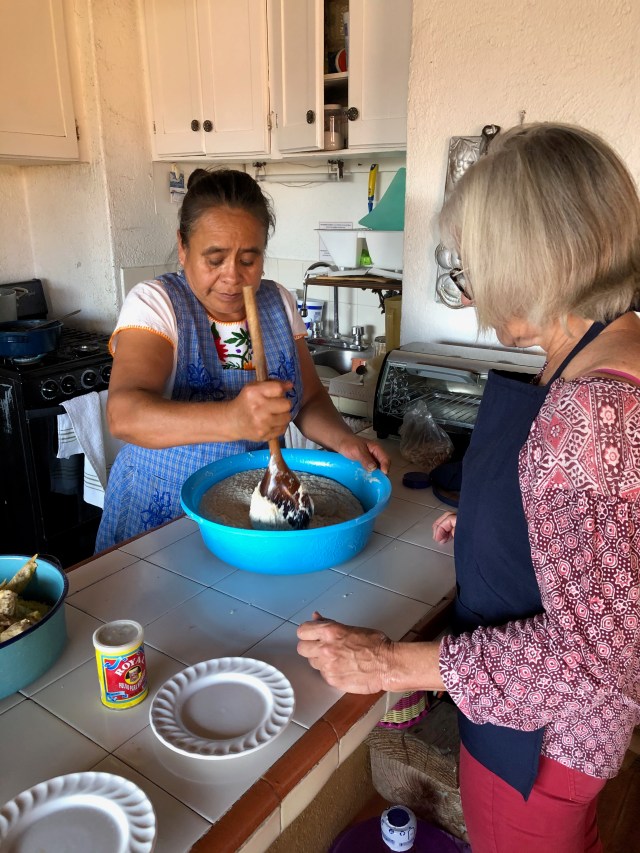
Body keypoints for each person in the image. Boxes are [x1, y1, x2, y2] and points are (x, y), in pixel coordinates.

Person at [297, 123, 640, 852]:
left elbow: (586, 660)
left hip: (542, 746)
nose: (476, 286)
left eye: (480, 261)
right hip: (564, 737)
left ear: (530, 264)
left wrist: (389, 662)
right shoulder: (620, 349)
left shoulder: (591, 409)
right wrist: (503, 523)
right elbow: (607, 547)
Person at [96, 168, 389, 550]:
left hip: (256, 508)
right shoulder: (157, 303)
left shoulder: (278, 302)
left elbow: (309, 399)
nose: (232, 277)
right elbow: (125, 414)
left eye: (249, 260)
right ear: (183, 247)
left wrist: (345, 442)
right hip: (162, 519)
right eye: (214, 259)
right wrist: (232, 418)